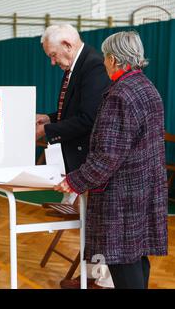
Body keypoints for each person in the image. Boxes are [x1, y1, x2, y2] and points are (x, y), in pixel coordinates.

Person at [55, 31, 168, 289]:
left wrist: (73, 181)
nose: (104, 62)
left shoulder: (120, 94)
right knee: (138, 256)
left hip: (123, 196)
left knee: (123, 259)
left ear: (114, 60)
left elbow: (108, 155)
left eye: (106, 57)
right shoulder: (147, 87)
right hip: (145, 190)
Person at [38, 24, 112, 288]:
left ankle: (102, 282)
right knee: (91, 223)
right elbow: (73, 111)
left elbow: (88, 119)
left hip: (91, 159)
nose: (52, 61)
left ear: (68, 45)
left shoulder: (92, 66)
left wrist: (46, 130)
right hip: (81, 158)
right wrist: (49, 117)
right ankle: (91, 277)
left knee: (98, 224)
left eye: (54, 54)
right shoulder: (76, 65)